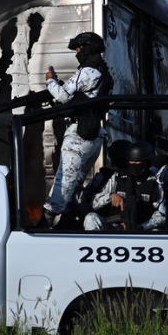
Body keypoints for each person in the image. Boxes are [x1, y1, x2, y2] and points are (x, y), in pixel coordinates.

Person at [41, 32, 113, 226]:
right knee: (74, 183)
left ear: (88, 49)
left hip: (79, 134)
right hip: (93, 134)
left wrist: (50, 80)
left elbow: (63, 97)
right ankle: (67, 221)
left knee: (64, 180)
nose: (76, 54)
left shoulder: (89, 71)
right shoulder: (102, 72)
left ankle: (44, 224)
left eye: (79, 49)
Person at [84, 142, 166, 232]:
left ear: (146, 163)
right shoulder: (116, 178)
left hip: (141, 230)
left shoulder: (155, 183)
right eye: (131, 161)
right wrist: (110, 196)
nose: (134, 164)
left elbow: (161, 215)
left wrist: (142, 226)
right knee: (91, 218)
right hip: (114, 224)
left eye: (138, 162)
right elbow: (95, 203)